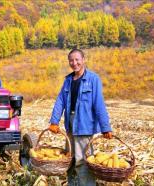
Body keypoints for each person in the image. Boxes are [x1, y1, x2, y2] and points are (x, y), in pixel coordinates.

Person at [48, 48, 113, 186]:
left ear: (83, 60)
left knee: (82, 161)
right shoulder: (68, 80)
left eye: (77, 59)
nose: (74, 63)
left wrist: (105, 127)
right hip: (70, 124)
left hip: (84, 125)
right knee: (70, 159)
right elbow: (60, 101)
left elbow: (99, 104)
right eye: (71, 60)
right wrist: (54, 121)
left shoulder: (93, 79)